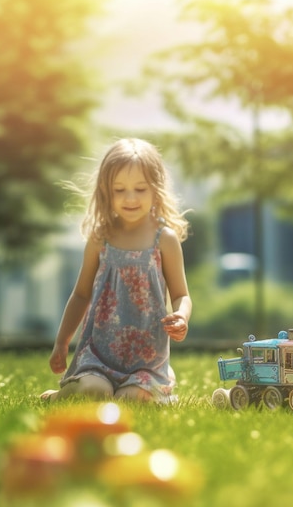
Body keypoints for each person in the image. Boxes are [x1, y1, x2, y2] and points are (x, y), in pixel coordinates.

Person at [41, 138, 192, 403]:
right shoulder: (101, 238)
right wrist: (62, 342)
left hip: (147, 359)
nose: (130, 198)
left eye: (140, 189)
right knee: (93, 392)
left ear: (155, 190)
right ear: (105, 191)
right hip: (99, 355)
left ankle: (155, 391)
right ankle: (57, 397)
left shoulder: (164, 240)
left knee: (131, 399)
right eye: (119, 189)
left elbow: (181, 294)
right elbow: (80, 294)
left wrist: (181, 315)